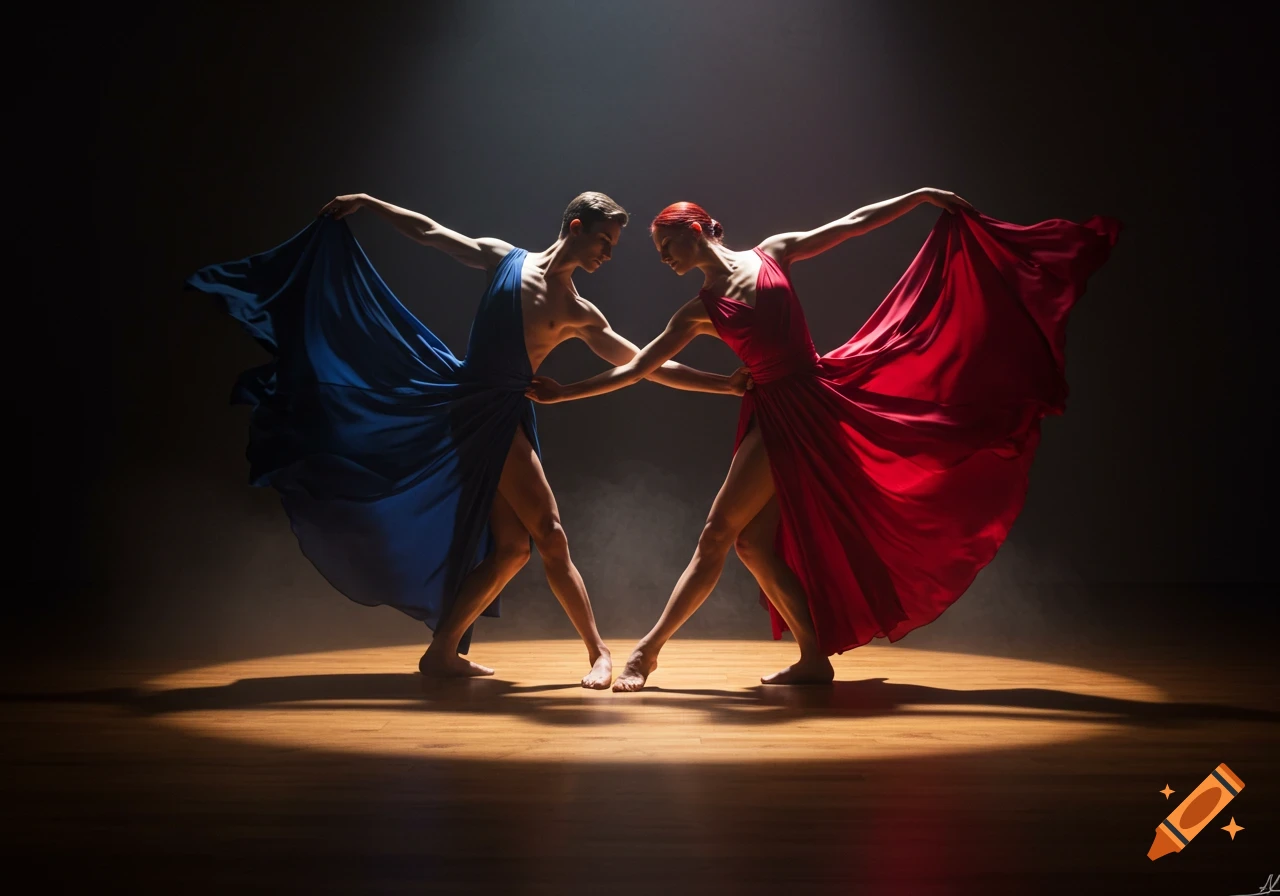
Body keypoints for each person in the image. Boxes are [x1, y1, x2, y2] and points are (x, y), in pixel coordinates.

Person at [527, 190, 1120, 691]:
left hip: (812, 404)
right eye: (658, 252)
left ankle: (647, 653)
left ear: (697, 230)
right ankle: (813, 660)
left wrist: (920, 198)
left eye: (667, 245)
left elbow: (850, 226)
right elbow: (639, 368)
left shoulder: (773, 254)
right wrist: (565, 394)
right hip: (777, 414)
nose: (663, 258)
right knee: (753, 547)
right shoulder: (696, 312)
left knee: (719, 534)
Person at [186, 191, 750, 687]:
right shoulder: (504, 259)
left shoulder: (579, 312)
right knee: (549, 534)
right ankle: (599, 652)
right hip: (475, 409)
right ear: (574, 228)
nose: (607, 253)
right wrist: (373, 206)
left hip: (507, 413)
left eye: (613, 244)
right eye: (604, 240)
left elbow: (645, 364)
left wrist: (723, 385)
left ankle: (440, 654)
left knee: (513, 549)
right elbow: (432, 233)